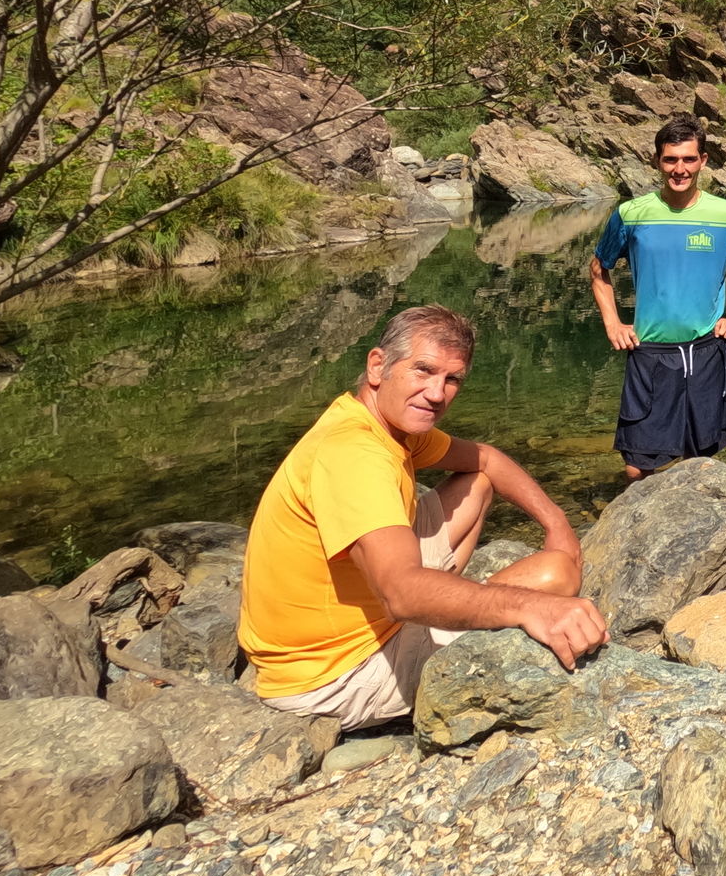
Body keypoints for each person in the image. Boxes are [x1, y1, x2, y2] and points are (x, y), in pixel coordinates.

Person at [239, 305, 607, 730]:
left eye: (452, 379)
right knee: (554, 577)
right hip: (333, 674)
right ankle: (457, 603)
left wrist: (557, 524)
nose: (436, 393)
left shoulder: (382, 424)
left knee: (477, 483)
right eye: (424, 371)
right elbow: (399, 596)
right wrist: (529, 606)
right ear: (377, 365)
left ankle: (450, 597)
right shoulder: (353, 453)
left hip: (344, 625)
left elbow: (487, 459)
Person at [591, 114, 726, 480]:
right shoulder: (630, 214)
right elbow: (598, 269)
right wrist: (612, 323)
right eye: (670, 159)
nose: (680, 169)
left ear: (703, 160)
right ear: (657, 160)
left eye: (688, 159)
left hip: (706, 351)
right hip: (650, 352)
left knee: (699, 462)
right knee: (637, 467)